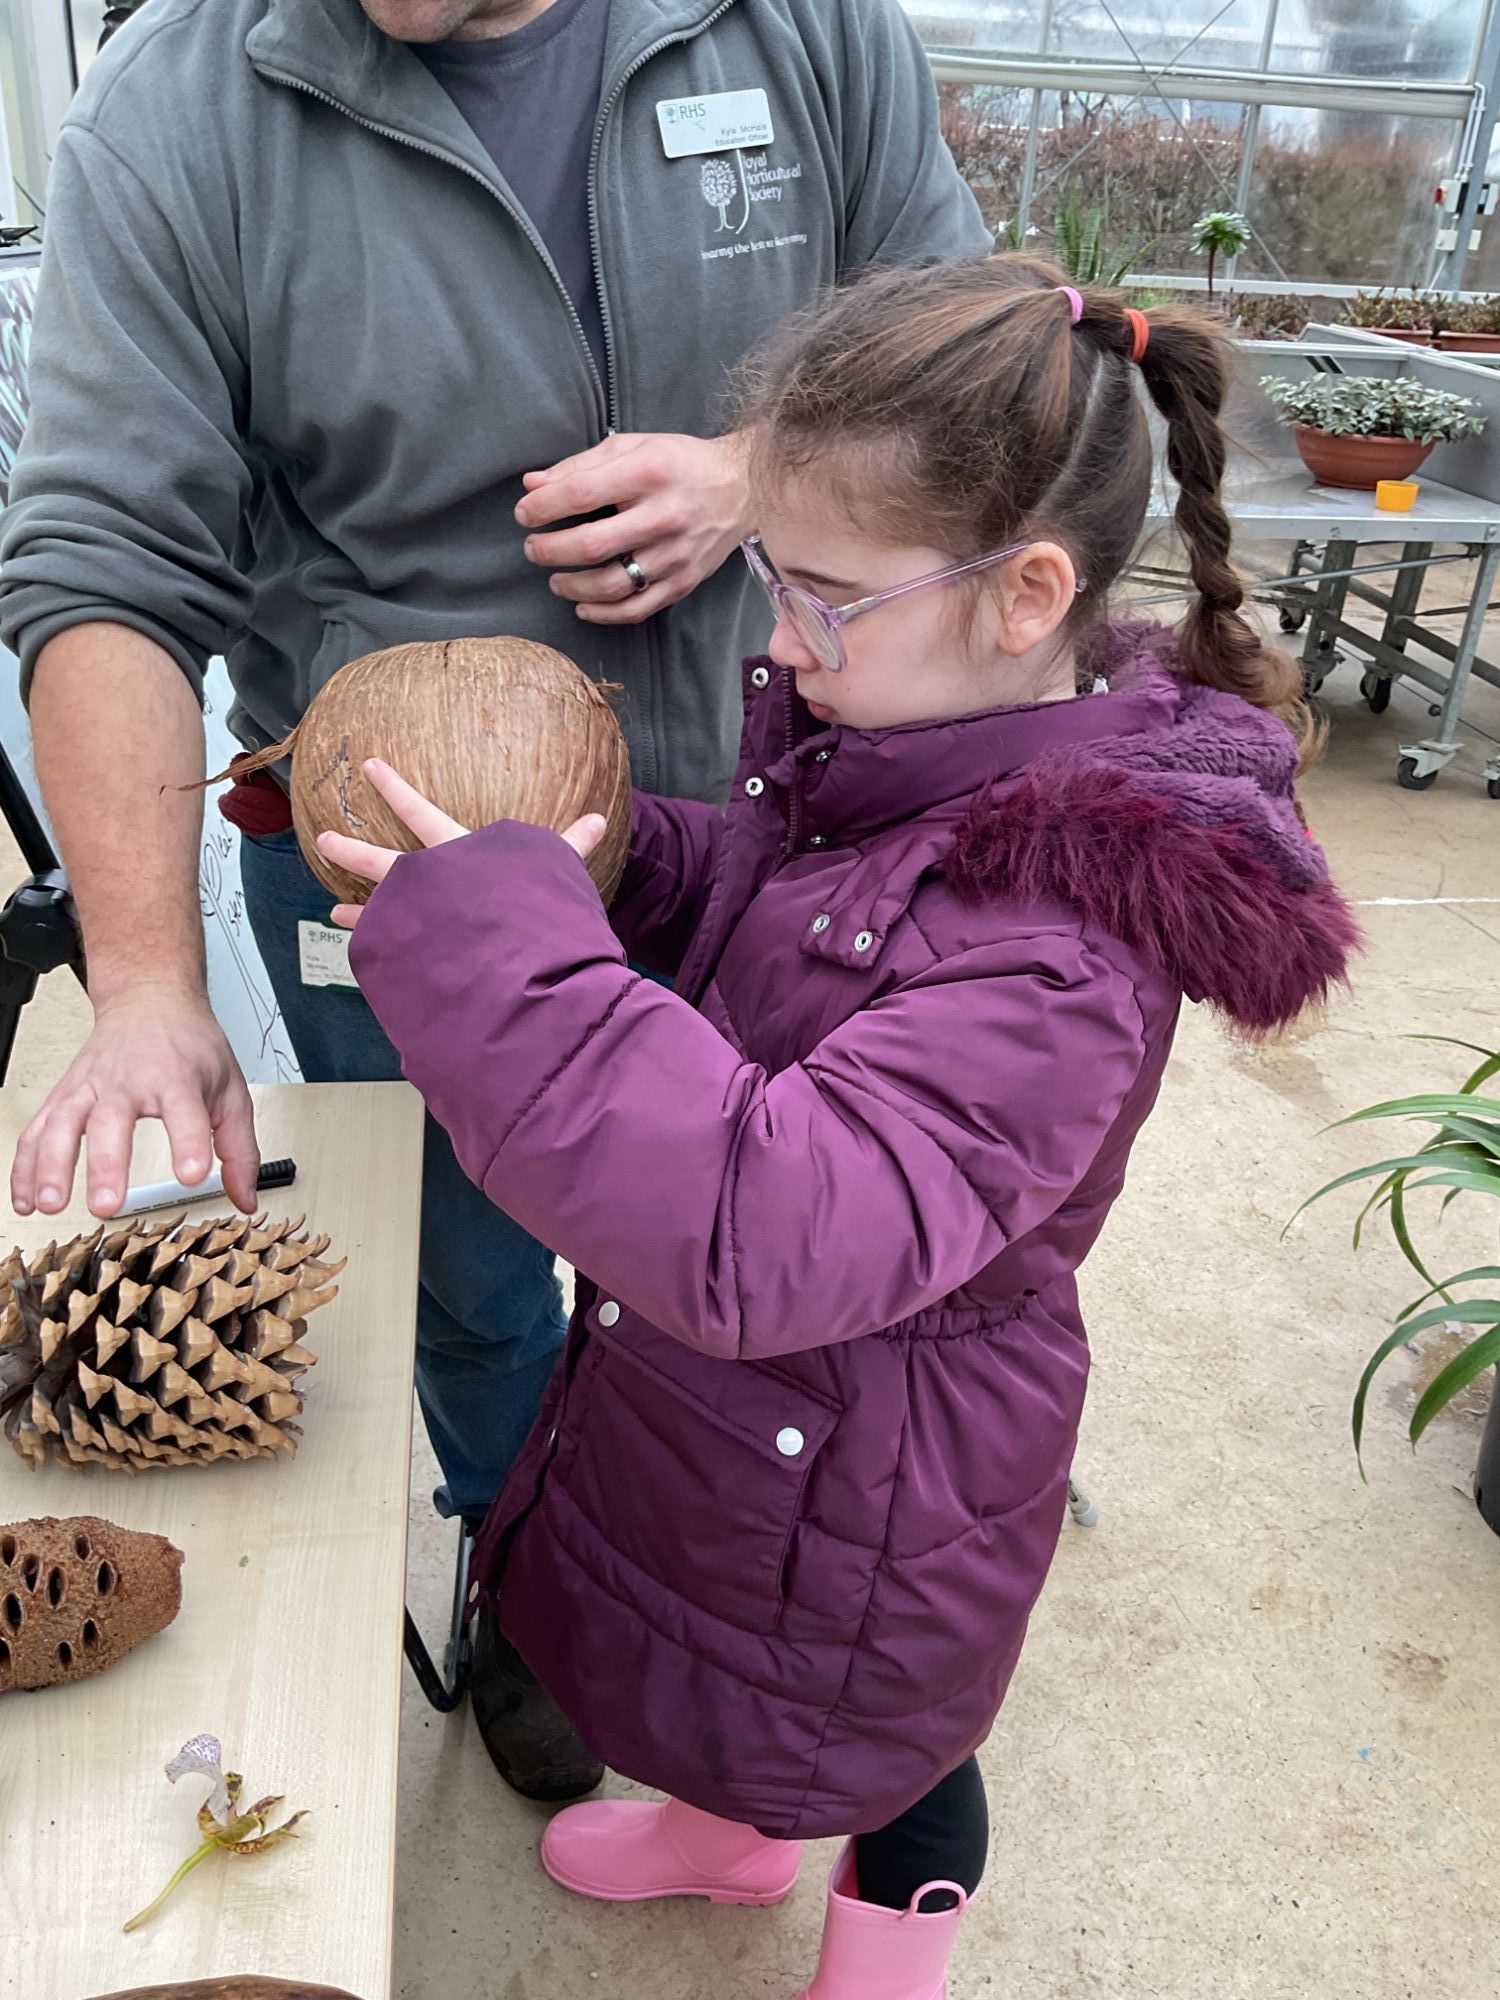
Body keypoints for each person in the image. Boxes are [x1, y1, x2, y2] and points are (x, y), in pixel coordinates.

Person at [315, 257, 1359, 1998]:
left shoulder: (1071, 940)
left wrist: (510, 962)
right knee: (729, 1675)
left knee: (882, 1738)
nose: (778, 637)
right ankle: (730, 1833)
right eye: (769, 581)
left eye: (821, 596)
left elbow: (760, 1221)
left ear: (1027, 593)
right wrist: (620, 866)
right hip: (754, 1427)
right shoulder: (910, 748)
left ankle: (893, 1945)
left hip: (888, 1467)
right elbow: (787, 909)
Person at [0, 0, 990, 1797]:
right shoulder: (174, 107)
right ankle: (526, 1571)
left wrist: (757, 479)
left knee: (767, 1270)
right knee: (470, 1276)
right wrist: (144, 981)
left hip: (770, 822)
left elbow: (980, 369)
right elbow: (104, 565)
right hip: (376, 877)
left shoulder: (801, 30)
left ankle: (742, 1626)